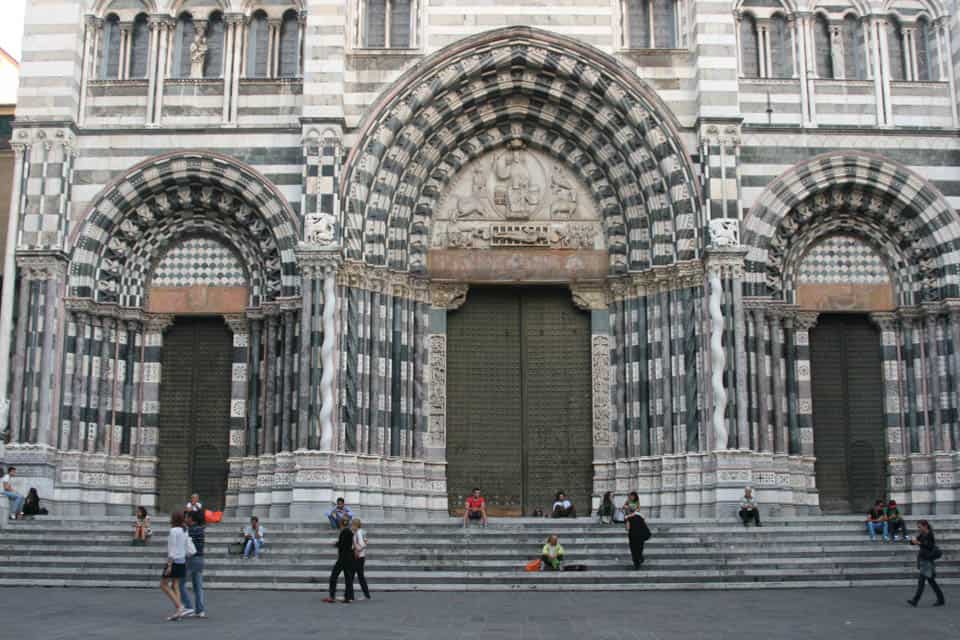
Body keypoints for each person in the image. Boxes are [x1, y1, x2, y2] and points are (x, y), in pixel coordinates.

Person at [160, 511, 192, 621]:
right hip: (182, 560)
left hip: (173, 561)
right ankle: (178, 612)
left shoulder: (173, 530)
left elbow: (172, 548)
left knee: (163, 584)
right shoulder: (185, 530)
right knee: (175, 585)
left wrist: (169, 564)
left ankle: (179, 606)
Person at [907, 520, 945, 607]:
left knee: (922, 581)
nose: (919, 529)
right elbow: (912, 543)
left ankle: (915, 600)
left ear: (925, 526)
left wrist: (919, 543)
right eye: (918, 527)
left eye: (920, 527)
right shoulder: (922, 534)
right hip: (924, 559)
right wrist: (912, 541)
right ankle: (941, 599)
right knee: (931, 582)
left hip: (927, 560)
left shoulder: (930, 534)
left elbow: (930, 546)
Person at [179, 511, 207, 619]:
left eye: (187, 517)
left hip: (191, 558)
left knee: (180, 583)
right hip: (200, 559)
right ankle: (200, 610)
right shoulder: (201, 529)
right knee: (198, 586)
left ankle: (188, 606)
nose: (185, 519)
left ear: (191, 519)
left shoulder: (190, 530)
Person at [323, 516, 355, 603]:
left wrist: (336, 544)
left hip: (343, 558)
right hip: (349, 557)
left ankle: (332, 596)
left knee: (333, 577)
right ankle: (348, 597)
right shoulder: (349, 532)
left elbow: (342, 545)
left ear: (341, 523)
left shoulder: (344, 532)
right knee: (348, 578)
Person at [623, 491, 650, 569]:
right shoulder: (637, 516)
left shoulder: (630, 517)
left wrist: (628, 516)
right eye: (631, 496)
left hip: (636, 535)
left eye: (633, 496)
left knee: (635, 548)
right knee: (636, 548)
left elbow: (627, 528)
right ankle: (638, 560)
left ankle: (637, 561)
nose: (631, 497)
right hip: (636, 535)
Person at [351, 518, 371, 600]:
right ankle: (366, 594)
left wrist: (357, 550)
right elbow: (365, 542)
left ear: (356, 525)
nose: (352, 527)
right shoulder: (359, 532)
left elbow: (364, 543)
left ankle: (350, 595)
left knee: (355, 576)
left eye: (353, 525)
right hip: (359, 556)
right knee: (359, 576)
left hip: (358, 556)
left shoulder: (359, 532)